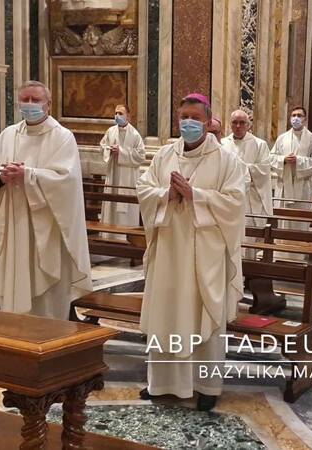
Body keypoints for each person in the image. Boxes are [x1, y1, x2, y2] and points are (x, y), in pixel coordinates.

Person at [136, 93, 245, 411]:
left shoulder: (227, 160)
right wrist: (166, 195)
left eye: (195, 118)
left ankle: (207, 385)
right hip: (169, 250)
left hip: (205, 254)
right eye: (184, 117)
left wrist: (194, 194)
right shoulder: (164, 154)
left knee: (203, 315)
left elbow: (236, 203)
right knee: (166, 312)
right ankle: (162, 382)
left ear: (208, 122)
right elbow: (144, 188)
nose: (188, 123)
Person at [0, 81, 92, 319]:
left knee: (45, 290)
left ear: (48, 105)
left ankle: (49, 332)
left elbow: (66, 179)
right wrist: (1, 176)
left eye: (36, 100)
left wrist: (28, 175)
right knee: (16, 275)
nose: (30, 104)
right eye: (25, 99)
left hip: (47, 225)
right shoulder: (9, 134)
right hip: (14, 219)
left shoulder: (62, 137)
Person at [222, 109, 273, 257]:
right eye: (234, 122)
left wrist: (240, 167)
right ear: (230, 124)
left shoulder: (259, 144)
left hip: (249, 200)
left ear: (248, 125)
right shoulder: (223, 144)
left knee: (247, 239)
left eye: (242, 122)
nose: (238, 126)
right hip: (228, 199)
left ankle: (249, 267)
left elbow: (264, 170)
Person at [270, 106, 312, 226]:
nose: (296, 118)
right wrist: (283, 159)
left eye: (299, 116)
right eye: (293, 115)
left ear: (305, 119)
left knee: (300, 222)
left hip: (303, 186)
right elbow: (271, 157)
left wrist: (298, 161)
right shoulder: (282, 138)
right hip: (284, 185)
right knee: (282, 222)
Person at [99, 104, 145, 233]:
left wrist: (122, 152)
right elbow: (102, 147)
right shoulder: (110, 131)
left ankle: (126, 235)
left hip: (128, 179)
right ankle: (108, 235)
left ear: (128, 116)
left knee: (126, 208)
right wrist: (109, 150)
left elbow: (141, 156)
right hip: (113, 174)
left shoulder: (135, 135)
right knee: (111, 206)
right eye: (116, 113)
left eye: (120, 113)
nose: (117, 116)